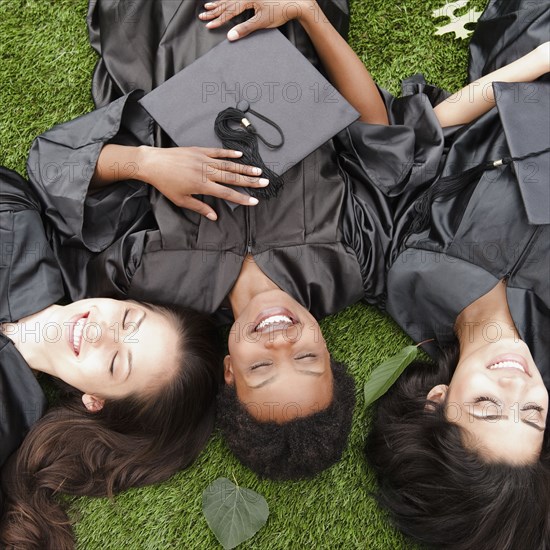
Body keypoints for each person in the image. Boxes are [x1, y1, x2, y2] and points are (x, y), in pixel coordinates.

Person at [26, 0, 549, 482]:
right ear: (328, 350)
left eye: (260, 367)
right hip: (281, 21)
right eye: (306, 360)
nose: (281, 343)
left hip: (154, 25)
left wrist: (147, 164)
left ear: (229, 372)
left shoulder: (149, 284)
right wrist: (309, 12)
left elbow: (51, 170)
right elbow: (380, 137)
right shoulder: (352, 260)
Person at [362, 0, 550, 548]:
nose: (518, 384)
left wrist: (538, 60)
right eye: (533, 414)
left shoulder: (398, 272)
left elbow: (426, 135)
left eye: (488, 406)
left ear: (438, 400)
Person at [0, 166, 222, 549]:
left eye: (117, 363)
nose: (98, 332)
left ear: (95, 401)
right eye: (126, 320)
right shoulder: (15, 222)